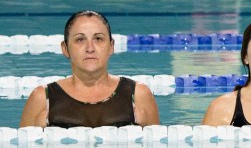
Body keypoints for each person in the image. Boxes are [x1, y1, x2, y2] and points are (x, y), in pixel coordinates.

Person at [19, 10, 160, 128]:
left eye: (98, 39)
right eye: (80, 39)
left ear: (111, 46)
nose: (90, 48)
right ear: (65, 48)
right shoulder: (42, 98)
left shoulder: (138, 96)